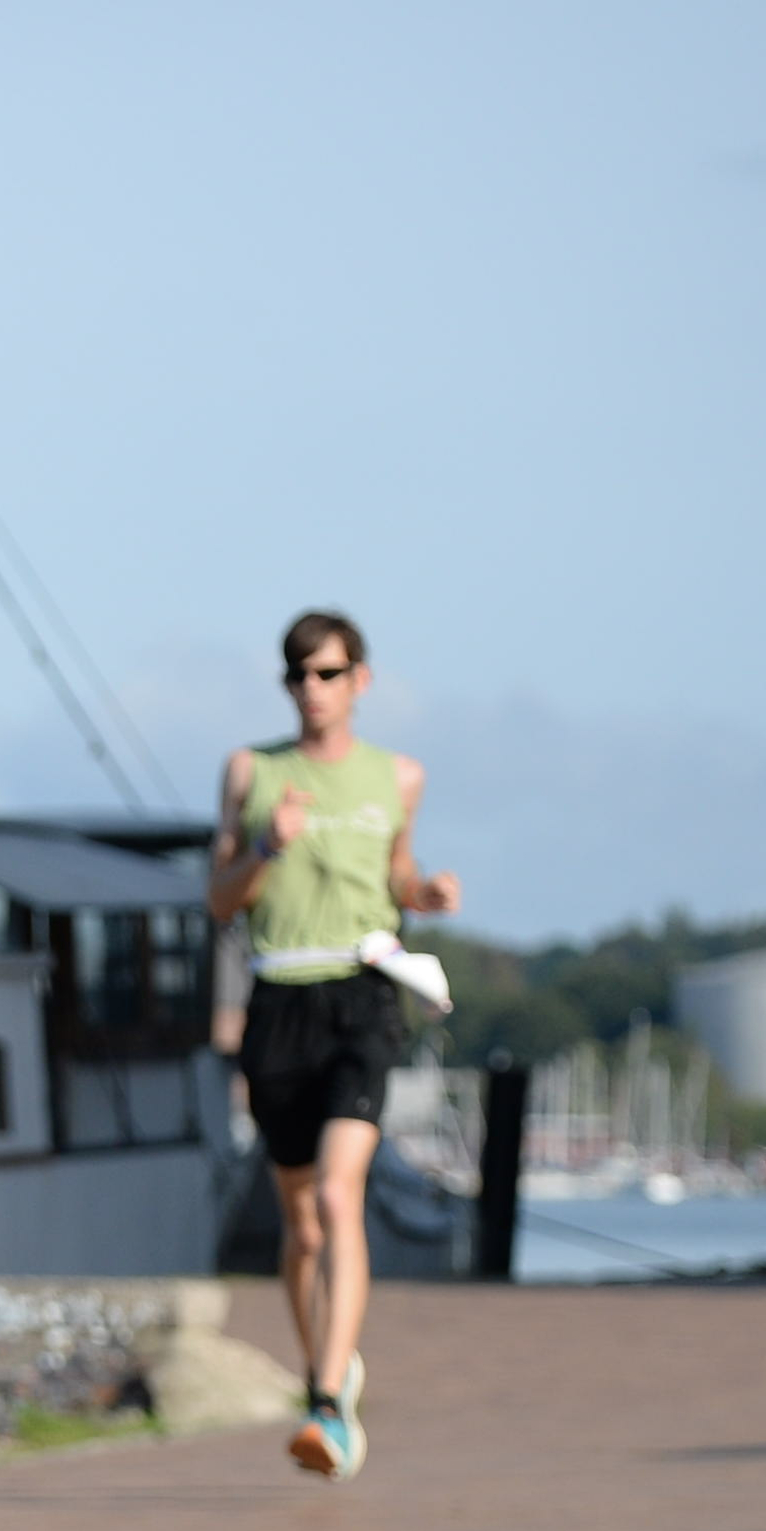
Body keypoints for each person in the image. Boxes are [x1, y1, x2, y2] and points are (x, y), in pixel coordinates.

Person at [207, 609, 460, 1474]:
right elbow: (219, 898)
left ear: (361, 680)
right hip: (278, 997)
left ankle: (324, 1407)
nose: (311, 690)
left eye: (327, 674)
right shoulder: (251, 771)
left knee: (340, 1197)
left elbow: (398, 875)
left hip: (363, 994)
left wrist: (425, 894)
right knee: (303, 1226)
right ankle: (329, 1362)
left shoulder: (400, 776)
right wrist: (265, 848)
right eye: (298, 675)